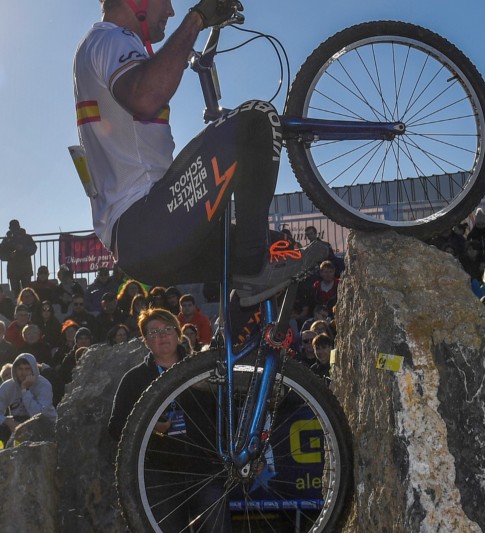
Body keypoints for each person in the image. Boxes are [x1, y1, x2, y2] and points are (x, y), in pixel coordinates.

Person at [74, 0, 324, 310]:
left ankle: (250, 351)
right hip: (145, 222)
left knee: (280, 249)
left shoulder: (102, 48)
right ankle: (252, 267)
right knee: (256, 120)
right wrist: (197, 18)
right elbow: (145, 97)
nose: (170, 11)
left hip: (144, 241)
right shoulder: (111, 38)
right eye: (164, 1)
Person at [108, 308, 231, 531]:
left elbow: (226, 414)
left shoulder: (203, 370)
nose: (162, 336)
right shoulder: (135, 378)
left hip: (205, 469)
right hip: (159, 474)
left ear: (178, 333)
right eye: (153, 332)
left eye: (166, 329)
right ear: (145, 341)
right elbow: (116, 426)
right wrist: (148, 427)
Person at [0, 353, 57, 445]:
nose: (23, 373)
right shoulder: (7, 386)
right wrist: (7, 421)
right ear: (15, 370)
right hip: (17, 422)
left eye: (27, 369)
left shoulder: (43, 385)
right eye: (20, 369)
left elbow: (39, 414)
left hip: (45, 423)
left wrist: (25, 390)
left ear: (33, 369)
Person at [0, 220, 37, 297]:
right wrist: (10, 256)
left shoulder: (27, 237)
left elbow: (33, 249)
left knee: (27, 293)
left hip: (25, 270)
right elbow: (1, 255)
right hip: (13, 271)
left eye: (16, 228)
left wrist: (23, 248)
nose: (15, 230)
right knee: (15, 295)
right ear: (10, 229)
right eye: (13, 228)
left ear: (19, 227)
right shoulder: (6, 240)